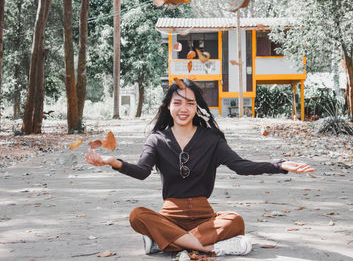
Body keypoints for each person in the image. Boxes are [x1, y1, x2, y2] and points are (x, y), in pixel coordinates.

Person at [85, 79, 314, 257]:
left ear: (197, 108)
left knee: (235, 220)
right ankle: (210, 249)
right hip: (169, 217)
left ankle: (167, 244)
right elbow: (142, 171)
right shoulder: (156, 139)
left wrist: (280, 165)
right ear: (168, 106)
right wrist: (111, 162)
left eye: (190, 103)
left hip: (205, 219)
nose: (183, 108)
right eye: (177, 102)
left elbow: (241, 166)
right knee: (137, 216)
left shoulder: (211, 139)